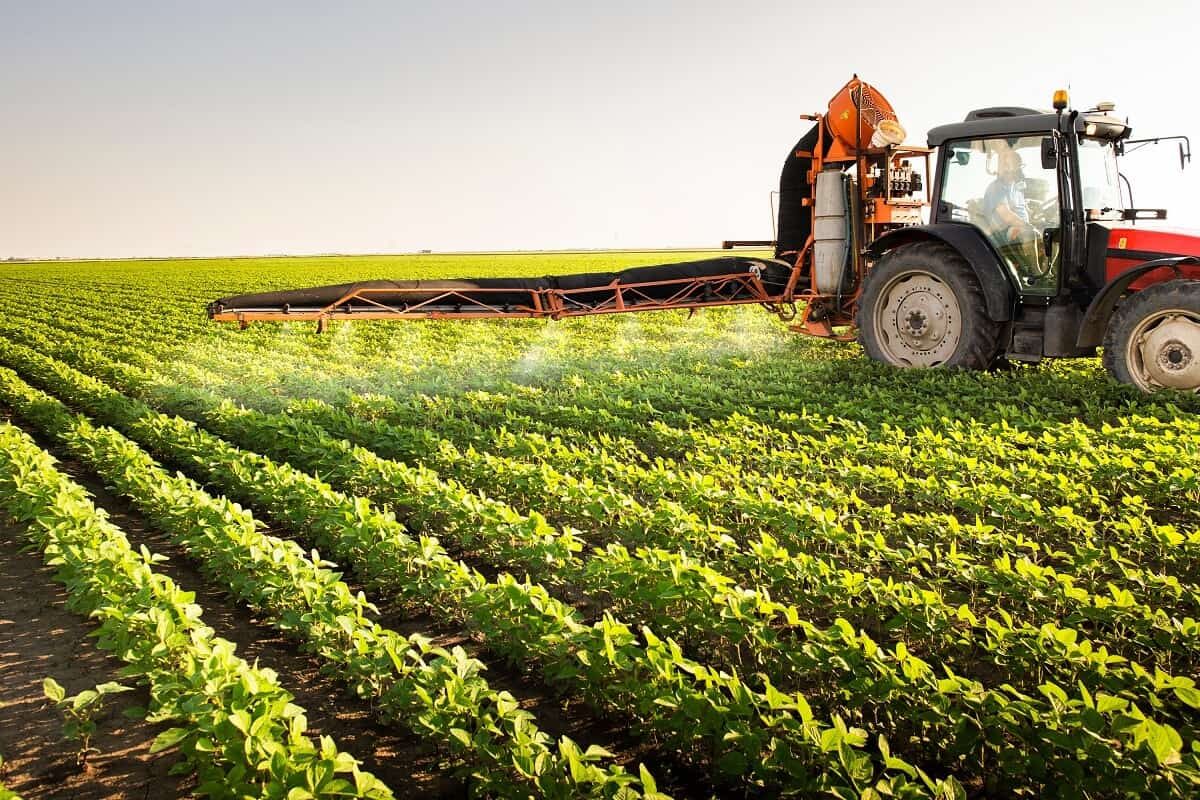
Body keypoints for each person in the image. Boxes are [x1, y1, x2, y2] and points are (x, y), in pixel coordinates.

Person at [982, 148, 1043, 276]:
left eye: (1019, 165)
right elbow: (1006, 215)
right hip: (1002, 231)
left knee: (1053, 233)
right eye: (1015, 165)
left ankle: (1049, 272)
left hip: (1018, 225)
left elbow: (1021, 210)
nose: (1018, 169)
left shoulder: (1016, 187)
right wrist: (1026, 225)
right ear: (1006, 168)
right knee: (1029, 232)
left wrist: (1037, 213)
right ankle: (1036, 273)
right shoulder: (996, 188)